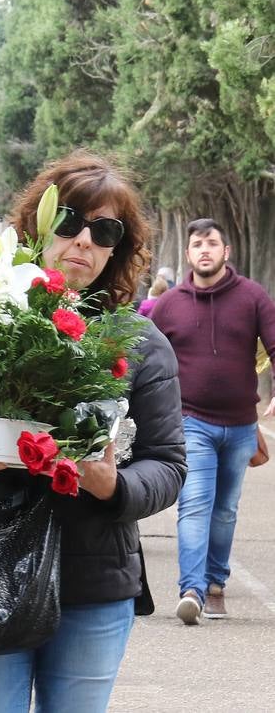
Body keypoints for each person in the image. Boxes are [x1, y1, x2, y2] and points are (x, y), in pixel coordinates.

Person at [0, 150, 186, 713]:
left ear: (118, 248)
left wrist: (113, 485)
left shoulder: (140, 343)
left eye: (104, 230)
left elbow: (167, 463)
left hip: (94, 577)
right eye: (69, 222)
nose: (84, 240)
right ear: (37, 227)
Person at [150, 217, 275, 623]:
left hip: (241, 425)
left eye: (212, 243)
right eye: (198, 244)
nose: (205, 249)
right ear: (188, 254)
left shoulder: (254, 298)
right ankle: (192, 590)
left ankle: (217, 581)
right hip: (192, 422)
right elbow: (146, 359)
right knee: (195, 504)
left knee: (226, 509)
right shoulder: (169, 305)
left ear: (226, 251)